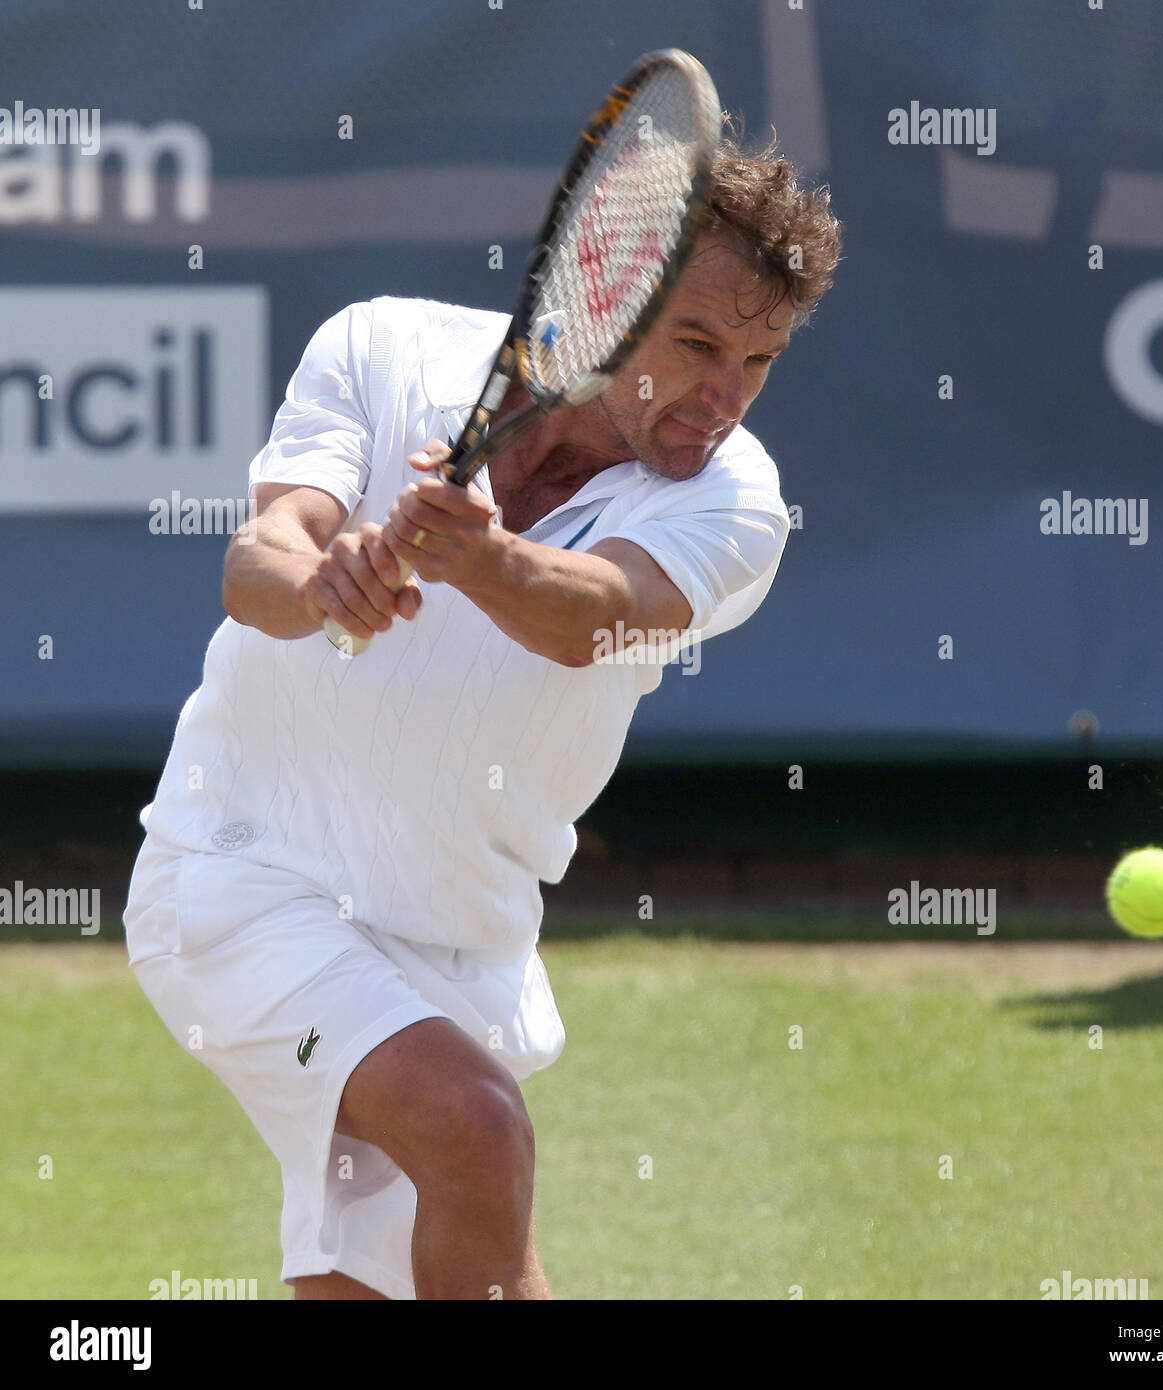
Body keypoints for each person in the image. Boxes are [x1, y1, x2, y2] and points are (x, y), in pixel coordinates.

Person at [121, 137, 841, 1300]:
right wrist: (321, 585)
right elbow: (258, 558)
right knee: (478, 1129)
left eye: (758, 360)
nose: (723, 397)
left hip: (458, 939)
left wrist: (477, 554)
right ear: (605, 296)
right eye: (697, 344)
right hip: (239, 884)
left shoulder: (737, 498)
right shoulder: (383, 343)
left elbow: (595, 617)